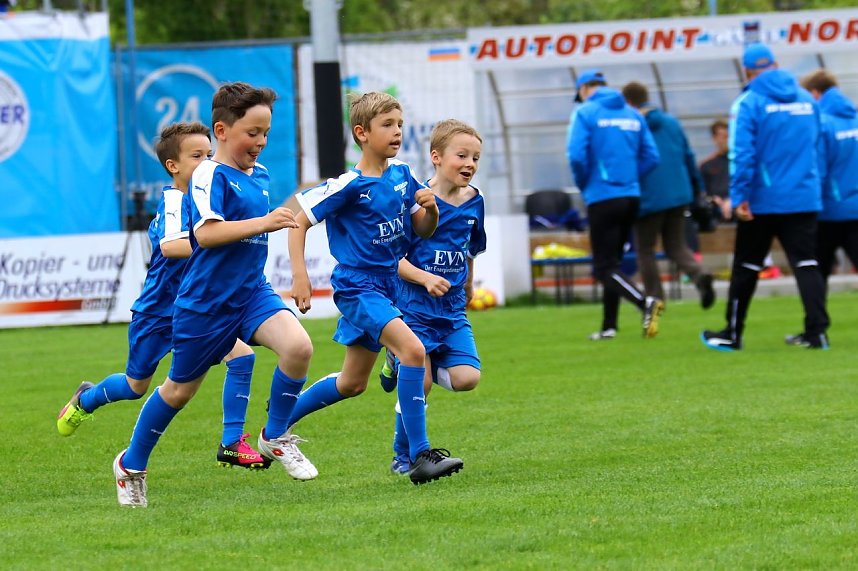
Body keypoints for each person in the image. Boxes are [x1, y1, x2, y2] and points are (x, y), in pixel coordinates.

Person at [112, 82, 316, 508]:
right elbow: (206, 234)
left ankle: (275, 435)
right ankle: (130, 465)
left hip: (251, 292)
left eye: (266, 133)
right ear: (221, 130)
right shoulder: (208, 174)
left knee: (298, 348)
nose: (260, 141)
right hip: (206, 303)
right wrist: (264, 223)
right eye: (252, 132)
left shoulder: (259, 175)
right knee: (177, 392)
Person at [56, 122, 266, 470]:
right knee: (135, 386)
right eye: (197, 156)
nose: (207, 162)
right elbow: (170, 246)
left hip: (198, 308)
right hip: (158, 311)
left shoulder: (211, 198)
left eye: (209, 154)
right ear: (173, 166)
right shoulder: (174, 199)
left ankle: (231, 442)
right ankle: (86, 399)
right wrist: (216, 243)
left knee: (242, 357)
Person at [287, 91, 464, 485]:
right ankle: (418, 456)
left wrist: (431, 209)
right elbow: (298, 221)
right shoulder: (348, 185)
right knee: (414, 352)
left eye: (400, 124)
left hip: (390, 286)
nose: (397, 131)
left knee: (352, 383)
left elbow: (422, 230)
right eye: (387, 125)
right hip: (358, 287)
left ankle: (278, 421)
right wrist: (300, 275)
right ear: (362, 133)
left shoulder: (402, 175)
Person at [701, 44, 830, 351]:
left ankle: (733, 333)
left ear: (746, 71)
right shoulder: (806, 99)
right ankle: (817, 333)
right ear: (776, 64)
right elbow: (817, 145)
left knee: (746, 265)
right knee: (807, 263)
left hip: (762, 199)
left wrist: (739, 196)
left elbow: (742, 154)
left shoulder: (748, 102)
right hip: (803, 196)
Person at [376, 119, 486, 474]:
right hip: (414, 305)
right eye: (462, 155)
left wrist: (468, 284)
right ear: (436, 157)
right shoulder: (416, 201)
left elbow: (469, 248)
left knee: (467, 379)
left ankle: (401, 363)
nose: (469, 164)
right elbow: (392, 259)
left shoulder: (475, 201)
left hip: (451, 309)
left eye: (475, 158)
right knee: (420, 381)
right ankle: (403, 456)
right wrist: (424, 278)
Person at [566, 69, 662, 340]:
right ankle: (609, 326)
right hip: (631, 196)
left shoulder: (585, 113)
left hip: (602, 196)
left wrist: (586, 183)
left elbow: (576, 156)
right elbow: (652, 157)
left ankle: (645, 302)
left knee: (604, 267)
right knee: (614, 263)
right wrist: (629, 177)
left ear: (584, 89)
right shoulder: (633, 113)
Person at [621, 81, 716, 311]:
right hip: (678, 193)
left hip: (649, 196)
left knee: (645, 249)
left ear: (628, 102)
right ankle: (699, 274)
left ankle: (655, 299)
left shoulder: (632, 125)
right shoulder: (672, 122)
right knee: (676, 245)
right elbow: (688, 156)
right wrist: (697, 188)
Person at [786, 69, 858, 346]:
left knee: (815, 273)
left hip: (829, 210)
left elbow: (819, 170)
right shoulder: (854, 118)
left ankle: (815, 332)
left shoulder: (823, 123)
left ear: (815, 93)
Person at [699, 118, 733, 223]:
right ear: (714, 138)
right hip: (714, 212)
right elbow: (702, 192)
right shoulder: (706, 165)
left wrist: (732, 199)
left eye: (728, 136)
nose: (726, 140)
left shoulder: (740, 163)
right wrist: (713, 199)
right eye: (723, 136)